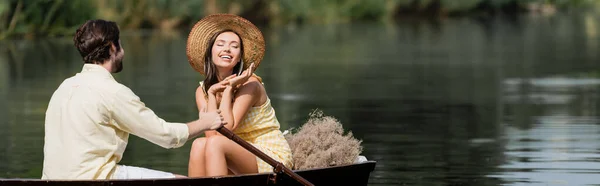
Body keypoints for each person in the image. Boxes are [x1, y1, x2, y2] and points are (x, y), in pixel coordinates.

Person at [42, 19, 225, 180]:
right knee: (182, 182)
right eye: (120, 44)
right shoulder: (113, 92)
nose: (123, 50)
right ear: (113, 47)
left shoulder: (64, 87)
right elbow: (166, 136)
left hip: (52, 180)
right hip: (95, 178)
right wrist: (205, 122)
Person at [186, 14, 293, 177]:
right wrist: (213, 94)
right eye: (220, 44)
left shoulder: (250, 85)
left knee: (215, 144)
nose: (227, 49)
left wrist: (229, 89)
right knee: (199, 144)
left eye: (234, 46)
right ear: (211, 53)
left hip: (269, 155)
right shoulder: (203, 91)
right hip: (231, 150)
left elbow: (227, 127)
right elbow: (210, 133)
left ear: (238, 59)